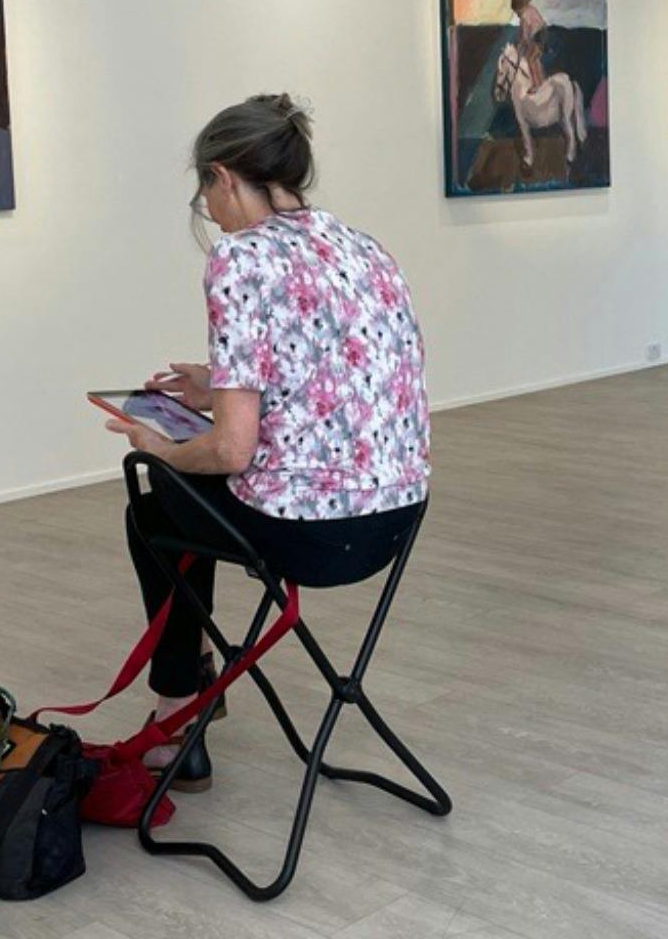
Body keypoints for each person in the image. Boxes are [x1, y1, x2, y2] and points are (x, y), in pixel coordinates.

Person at [104, 94, 430, 791]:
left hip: (308, 536)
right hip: (394, 522)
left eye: (204, 194)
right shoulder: (362, 246)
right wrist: (217, 383)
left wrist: (158, 449)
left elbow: (230, 453)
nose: (209, 212)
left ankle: (179, 710)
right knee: (172, 506)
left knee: (154, 502)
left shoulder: (239, 260)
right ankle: (184, 702)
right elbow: (330, 368)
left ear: (223, 177)